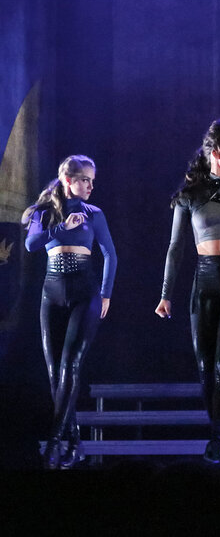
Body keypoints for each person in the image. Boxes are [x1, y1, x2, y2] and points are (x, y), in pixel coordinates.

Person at [155, 119, 220, 467]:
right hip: (205, 281)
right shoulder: (189, 197)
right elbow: (175, 248)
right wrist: (165, 294)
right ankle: (216, 432)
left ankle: (219, 437)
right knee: (204, 366)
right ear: (216, 153)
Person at [23, 155, 117, 469]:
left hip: (84, 291)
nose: (90, 186)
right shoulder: (45, 211)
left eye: (92, 180)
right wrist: (61, 227)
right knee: (54, 372)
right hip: (51, 292)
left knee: (70, 364)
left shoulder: (95, 213)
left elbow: (110, 255)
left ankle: (54, 442)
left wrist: (105, 294)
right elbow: (31, 244)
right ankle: (74, 441)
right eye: (85, 179)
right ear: (69, 180)